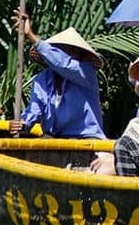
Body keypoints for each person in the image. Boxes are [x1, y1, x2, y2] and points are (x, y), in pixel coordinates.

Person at [9, 11, 106, 139]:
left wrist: (31, 36)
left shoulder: (85, 72)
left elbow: (64, 64)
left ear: (80, 55)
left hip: (86, 136)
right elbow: (35, 108)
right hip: (54, 137)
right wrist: (23, 123)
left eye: (71, 51)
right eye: (60, 50)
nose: (65, 55)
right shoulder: (41, 79)